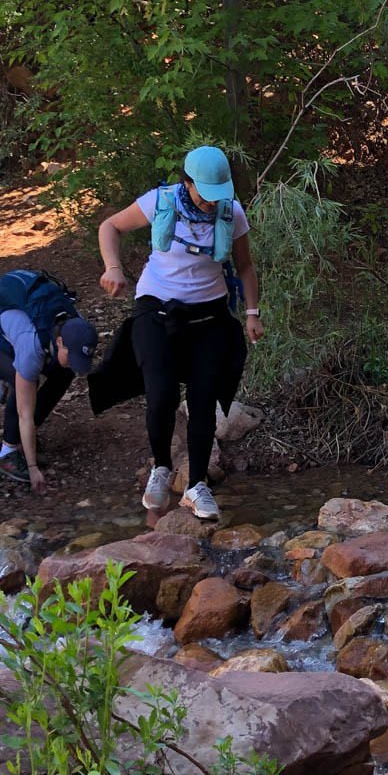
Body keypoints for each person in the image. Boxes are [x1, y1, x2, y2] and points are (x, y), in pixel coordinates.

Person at [92, 145, 262, 521]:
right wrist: (114, 267)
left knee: (204, 399)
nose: (211, 203)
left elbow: (245, 266)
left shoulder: (231, 212)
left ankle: (196, 485)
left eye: (219, 193)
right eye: (205, 194)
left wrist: (252, 312)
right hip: (157, 308)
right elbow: (110, 226)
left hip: (210, 315)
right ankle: (161, 468)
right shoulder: (160, 201)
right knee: (161, 392)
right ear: (187, 183)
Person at [0, 272, 99, 493]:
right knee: (22, 382)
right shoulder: (32, 342)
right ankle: (6, 452)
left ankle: (26, 442)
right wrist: (33, 468)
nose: (74, 362)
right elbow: (25, 413)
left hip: (15, 337)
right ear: (60, 342)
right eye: (71, 356)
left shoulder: (75, 324)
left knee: (64, 373)